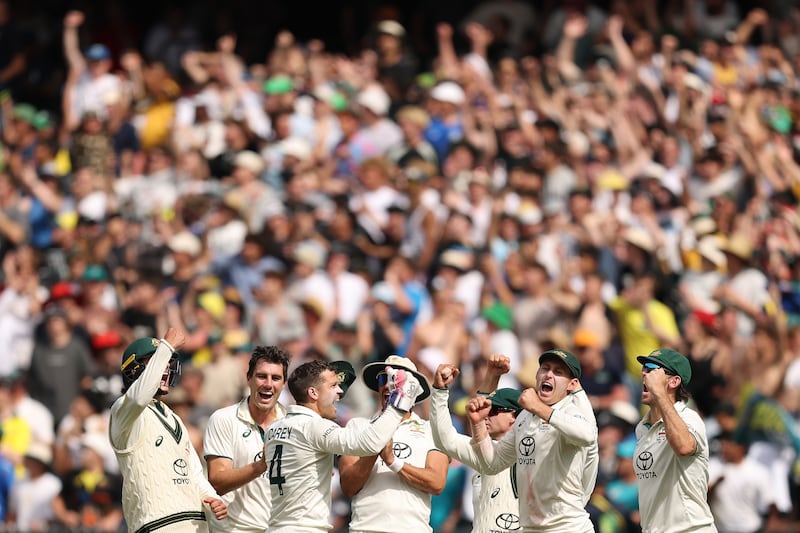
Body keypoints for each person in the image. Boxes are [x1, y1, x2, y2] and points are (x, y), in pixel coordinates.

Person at [431, 350, 599, 532]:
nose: (549, 374)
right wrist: (478, 423)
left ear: (572, 385)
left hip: (568, 528)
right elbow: (492, 463)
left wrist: (538, 406)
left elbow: (587, 436)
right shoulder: (525, 417)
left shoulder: (571, 411)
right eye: (545, 368)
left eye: (558, 372)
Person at [264, 358, 422, 533]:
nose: (340, 391)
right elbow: (370, 443)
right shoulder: (314, 427)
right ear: (313, 393)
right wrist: (401, 401)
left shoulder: (273, 428)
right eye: (333, 386)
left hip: (276, 526)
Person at [109, 328, 228, 532]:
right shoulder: (123, 411)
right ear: (133, 369)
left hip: (196, 523)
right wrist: (166, 346)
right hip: (156, 524)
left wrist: (212, 497)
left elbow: (194, 470)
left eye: (167, 363)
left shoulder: (174, 418)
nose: (165, 368)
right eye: (155, 361)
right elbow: (139, 397)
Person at [338, 355, 448, 533]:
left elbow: (436, 483)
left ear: (413, 388)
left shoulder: (430, 430)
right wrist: (375, 445)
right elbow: (348, 487)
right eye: (383, 378)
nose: (389, 384)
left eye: (396, 379)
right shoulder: (357, 426)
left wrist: (393, 461)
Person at [429, 355, 523, 533]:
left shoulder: (530, 451)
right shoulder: (482, 450)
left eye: (494, 410)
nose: (486, 414)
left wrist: (491, 378)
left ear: (514, 417)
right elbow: (444, 438)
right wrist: (439, 391)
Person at [202, 345, 291, 532]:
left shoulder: (294, 423)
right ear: (248, 378)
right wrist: (261, 465)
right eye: (261, 376)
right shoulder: (224, 419)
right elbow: (218, 481)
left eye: (275, 378)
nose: (268, 384)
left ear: (284, 384)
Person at [633, 348, 717, 532]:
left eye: (651, 369)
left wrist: (660, 394)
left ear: (674, 381)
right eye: (643, 369)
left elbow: (684, 446)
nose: (644, 374)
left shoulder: (689, 418)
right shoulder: (641, 428)